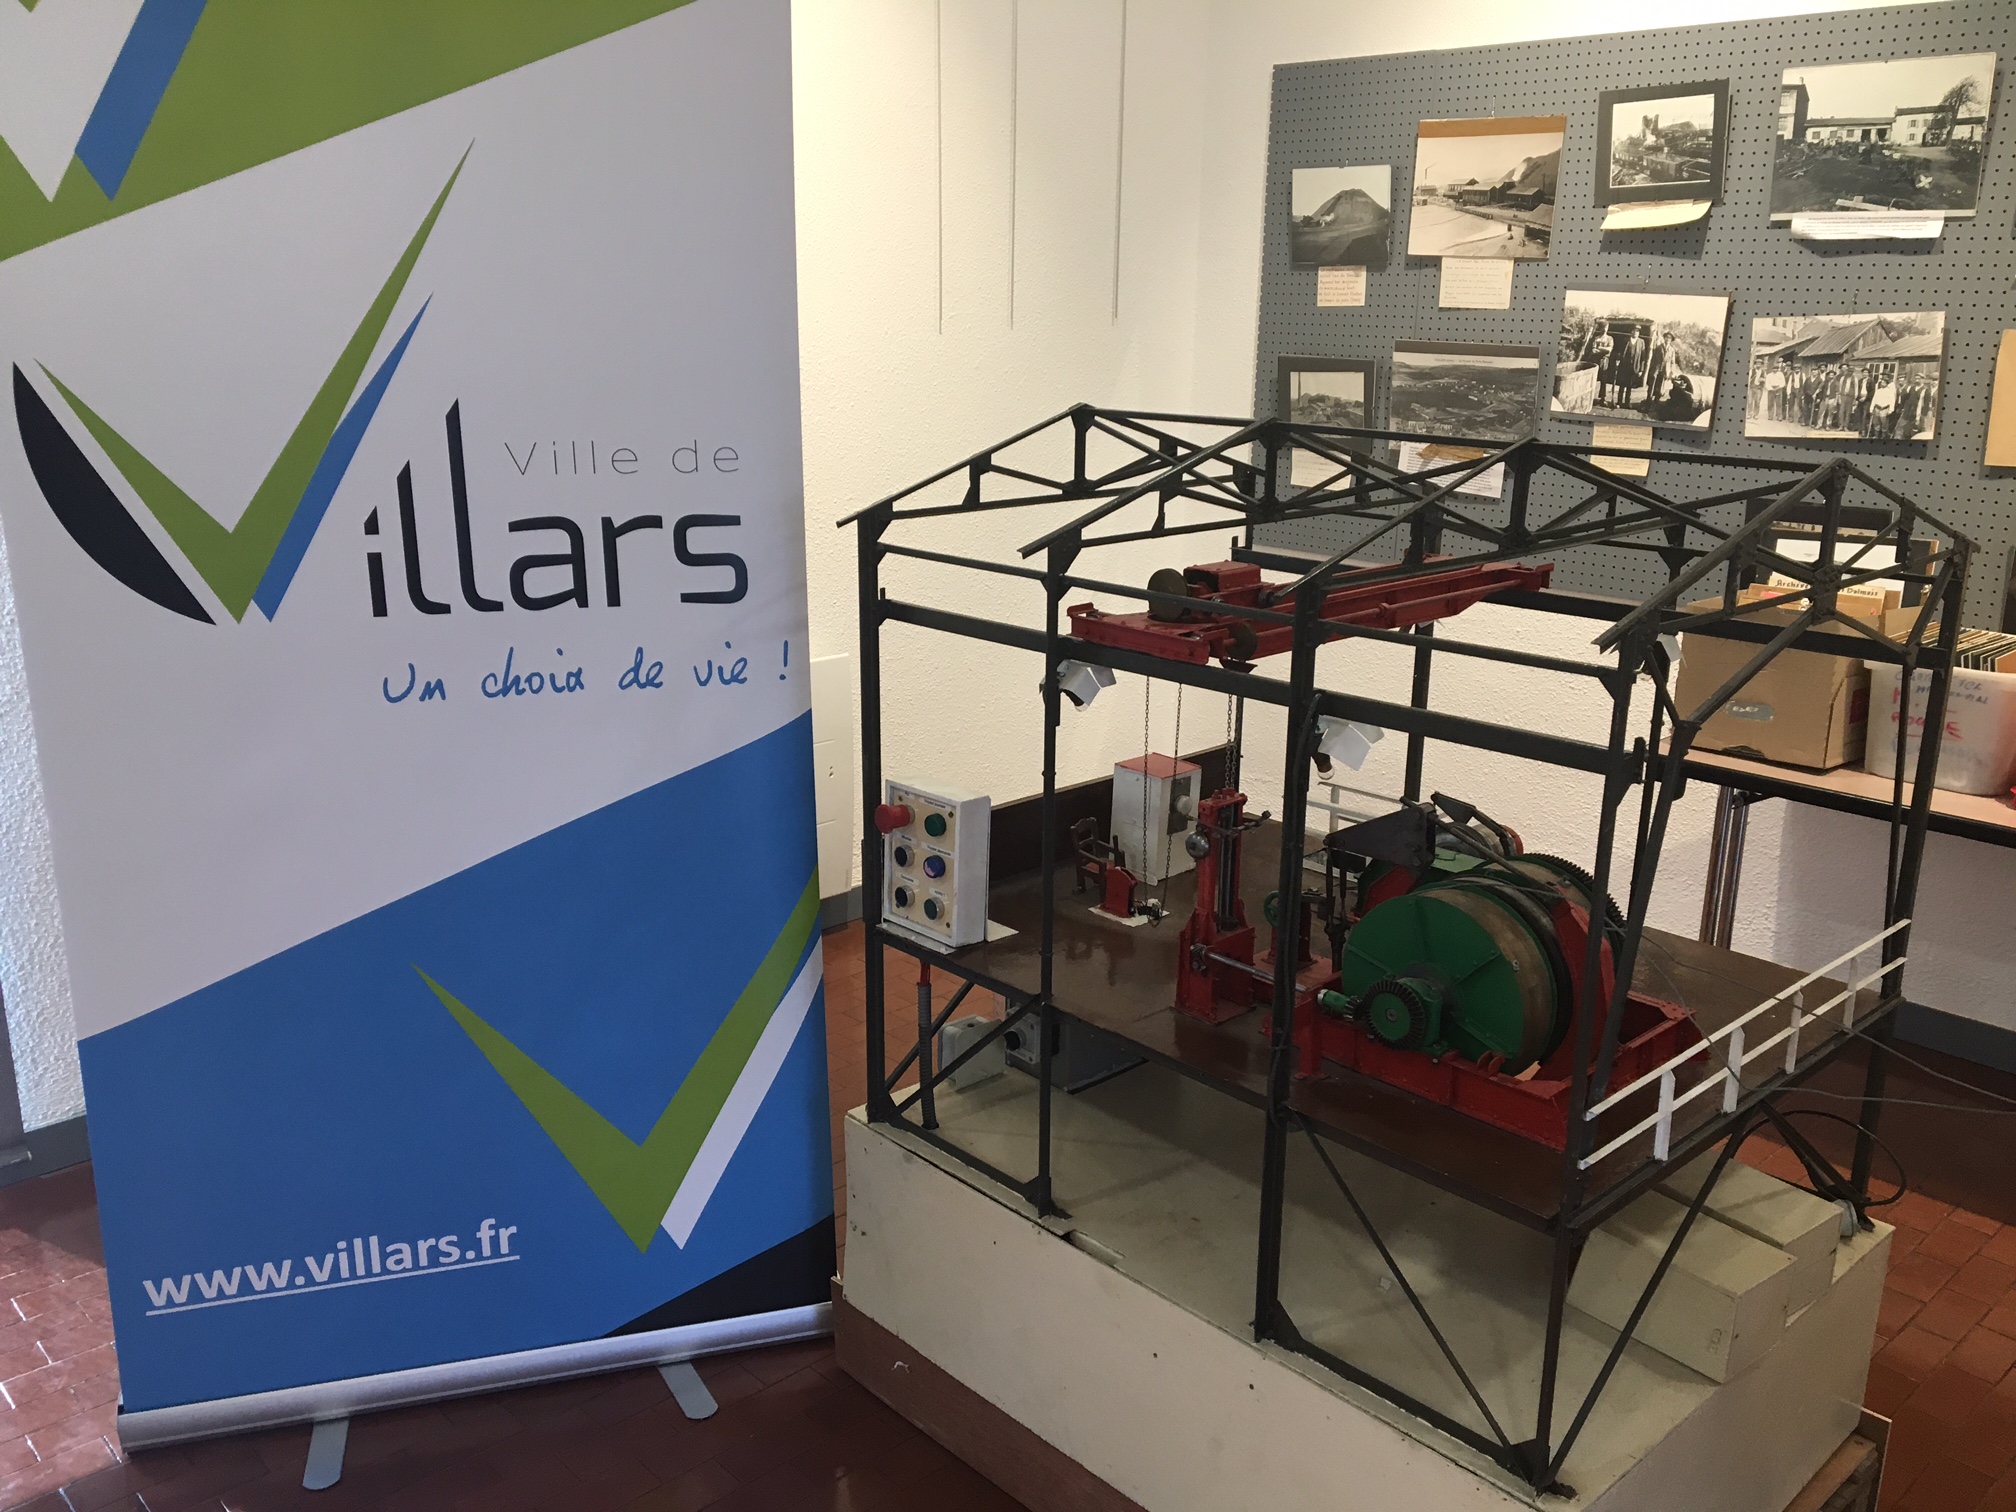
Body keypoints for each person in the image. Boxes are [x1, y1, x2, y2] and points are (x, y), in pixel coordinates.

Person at [1646, 334, 1671, 404]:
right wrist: (1652, 369)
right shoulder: (1659, 347)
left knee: (1660, 386)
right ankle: (1649, 400)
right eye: (1667, 337)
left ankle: (1656, 401)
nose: (1668, 339)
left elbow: (1672, 362)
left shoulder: (1672, 350)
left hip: (1665, 370)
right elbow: (1653, 359)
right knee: (1652, 385)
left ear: (1671, 340)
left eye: (1669, 338)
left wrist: (1670, 372)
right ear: (1664, 338)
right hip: (1656, 368)